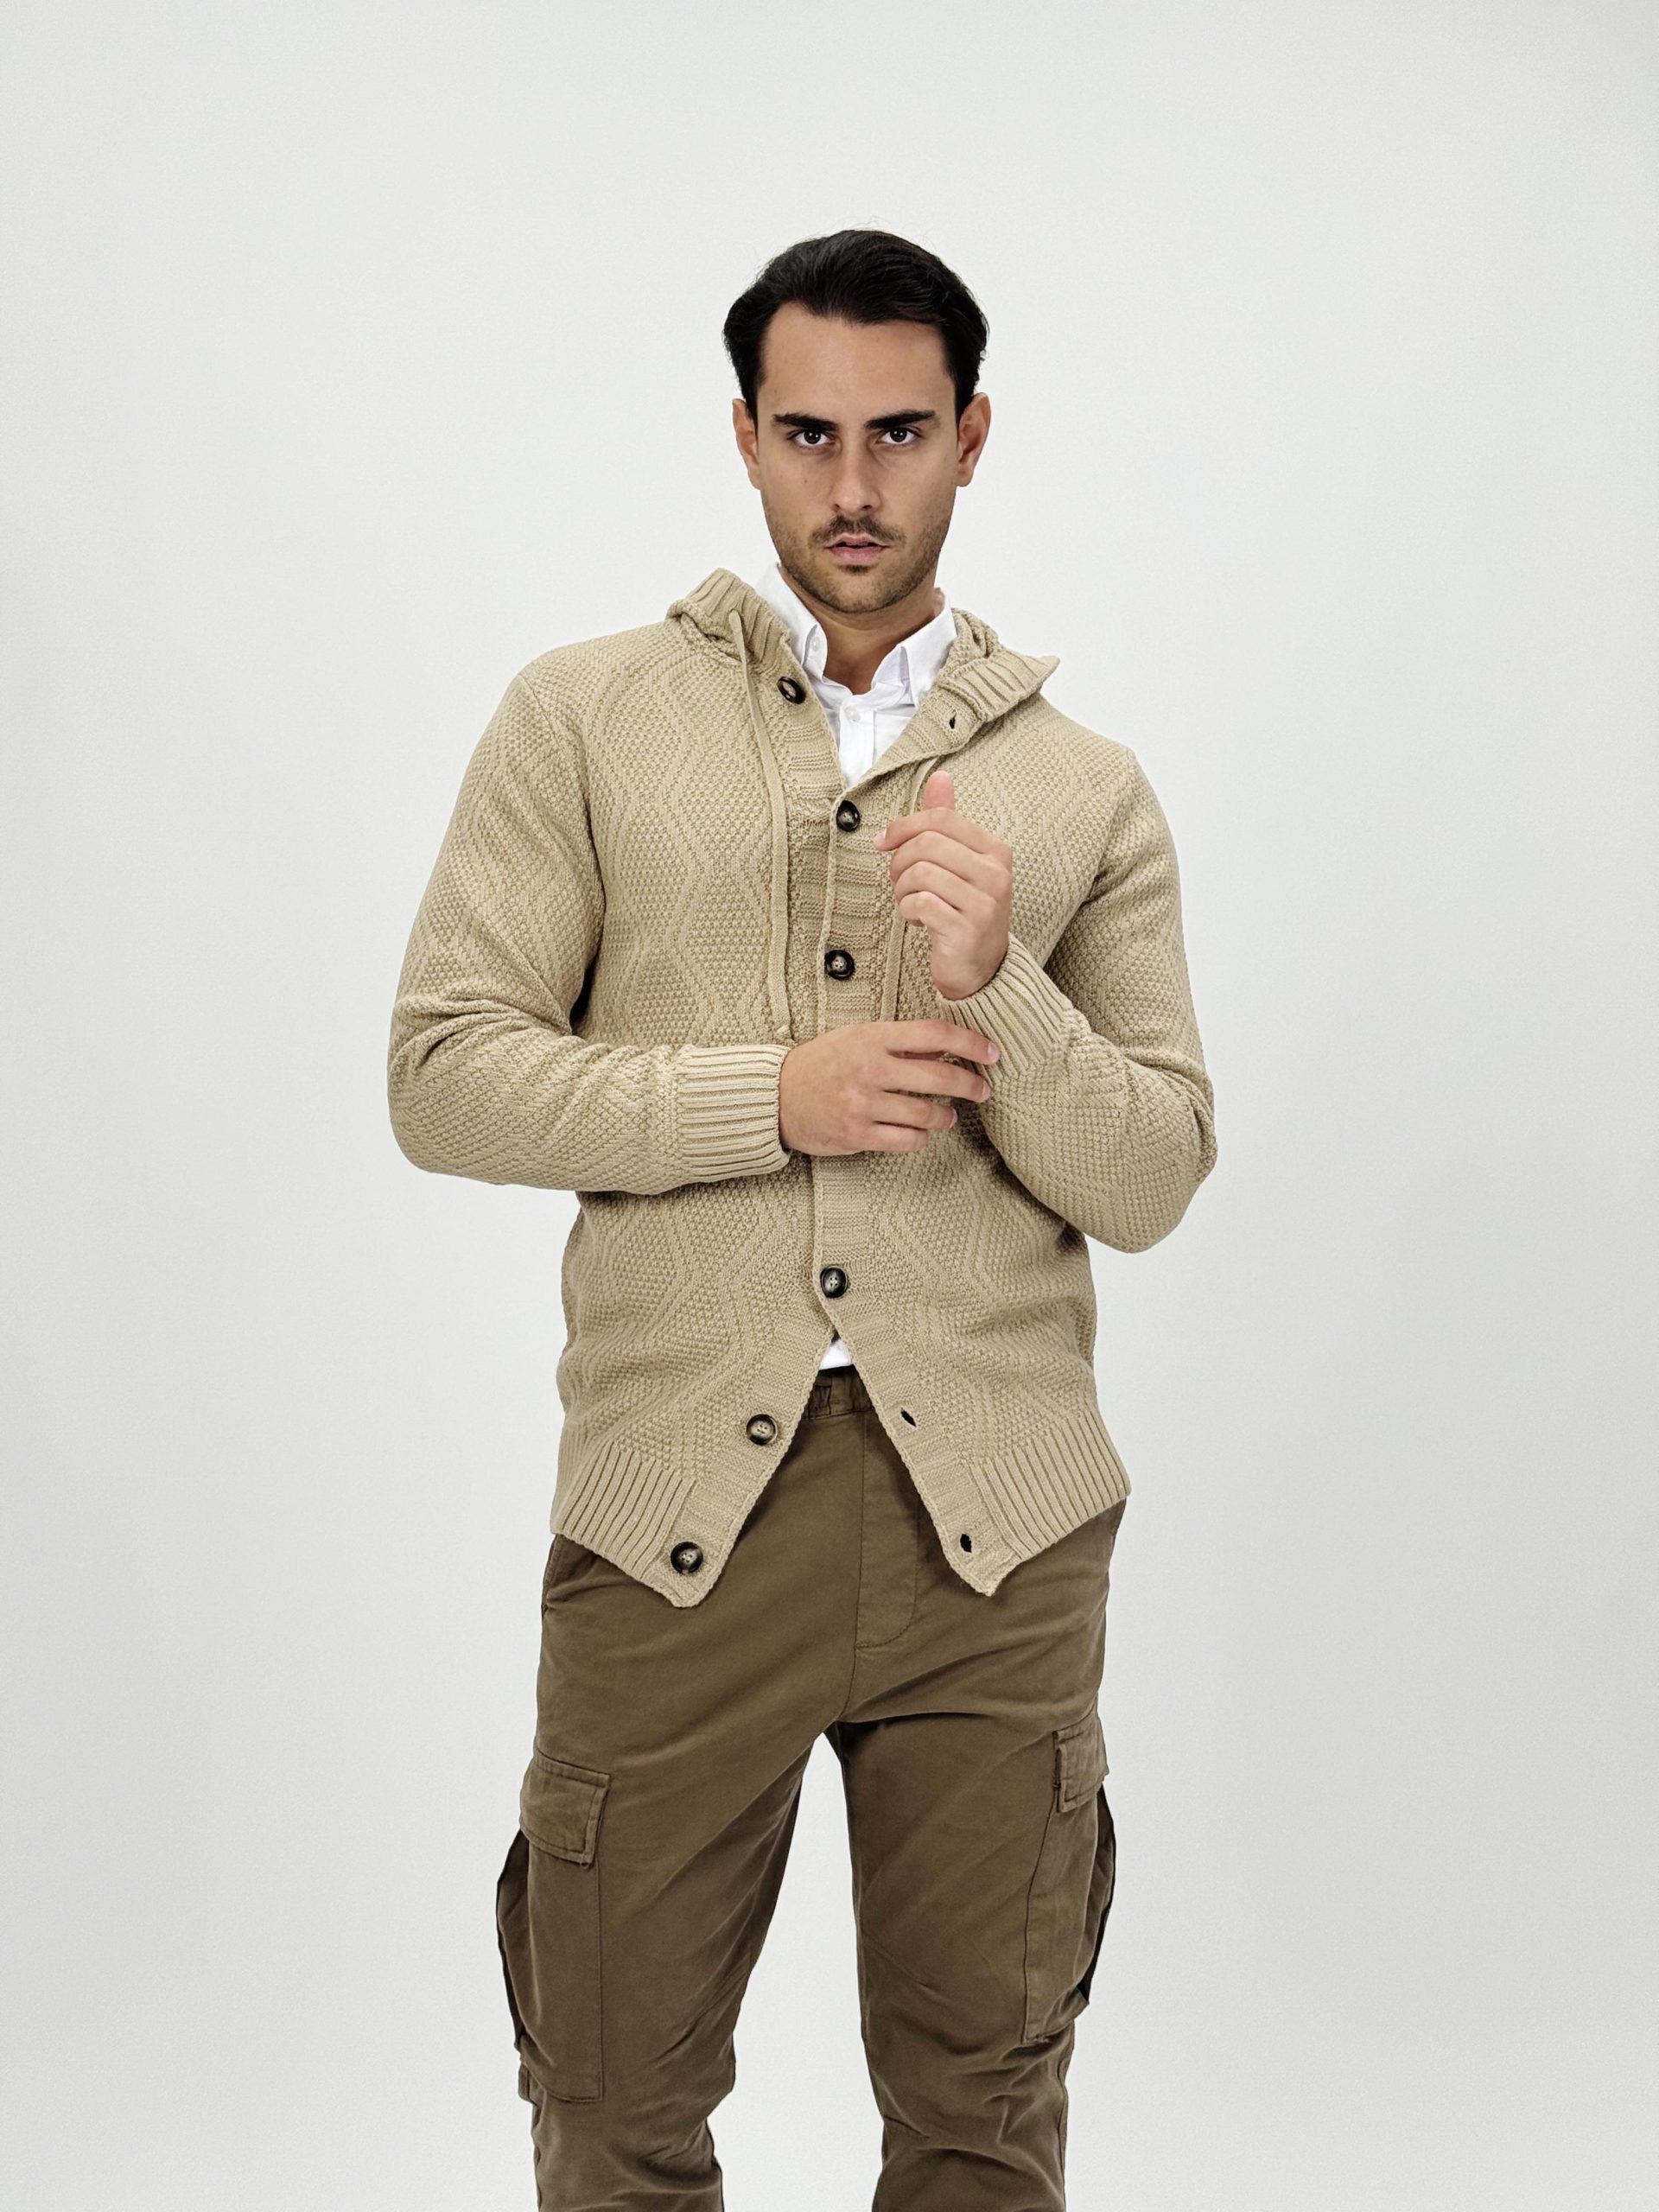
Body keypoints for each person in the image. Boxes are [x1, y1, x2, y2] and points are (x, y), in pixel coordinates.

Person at [387, 226, 1217, 2210]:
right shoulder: (583, 718)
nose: (856, 486)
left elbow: (1158, 1172)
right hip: (676, 1506)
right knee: (611, 2098)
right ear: (747, 437)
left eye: (901, 434)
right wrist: (773, 1095)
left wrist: (1004, 988)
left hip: (998, 1524)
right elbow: (444, 1071)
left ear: (973, 436)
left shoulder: (1085, 788)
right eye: (811, 433)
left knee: (983, 2119)